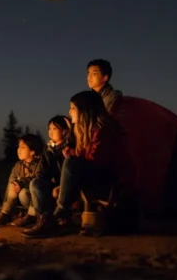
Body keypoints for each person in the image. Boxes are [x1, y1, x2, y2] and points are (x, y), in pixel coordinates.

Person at [23, 91, 136, 238]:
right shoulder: (82, 130)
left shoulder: (103, 129)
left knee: (71, 162)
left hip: (108, 182)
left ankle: (58, 216)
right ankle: (45, 219)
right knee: (37, 183)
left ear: (85, 110)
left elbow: (95, 159)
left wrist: (72, 153)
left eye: (73, 108)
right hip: (87, 177)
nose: (69, 112)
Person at [25, 115, 73, 233]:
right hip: (54, 183)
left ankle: (60, 219)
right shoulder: (48, 149)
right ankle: (43, 219)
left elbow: (69, 171)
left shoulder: (70, 148)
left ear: (65, 131)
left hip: (68, 185)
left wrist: (60, 185)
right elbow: (43, 170)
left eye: (54, 129)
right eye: (49, 129)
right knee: (35, 183)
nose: (51, 132)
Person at [0, 133, 45, 227]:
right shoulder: (18, 166)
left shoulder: (40, 164)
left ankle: (33, 215)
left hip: (38, 201)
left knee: (23, 192)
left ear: (32, 152)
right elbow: (11, 183)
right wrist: (5, 204)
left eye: (23, 147)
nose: (19, 150)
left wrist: (21, 183)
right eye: (19, 147)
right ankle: (5, 213)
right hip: (21, 200)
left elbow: (38, 179)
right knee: (13, 185)